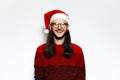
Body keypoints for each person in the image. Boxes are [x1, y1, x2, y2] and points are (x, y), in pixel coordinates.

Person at [34, 9, 86, 80]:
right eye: (55, 24)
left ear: (67, 27)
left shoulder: (77, 50)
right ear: (50, 27)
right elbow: (39, 78)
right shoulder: (40, 50)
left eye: (63, 24)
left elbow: (81, 78)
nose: (59, 27)